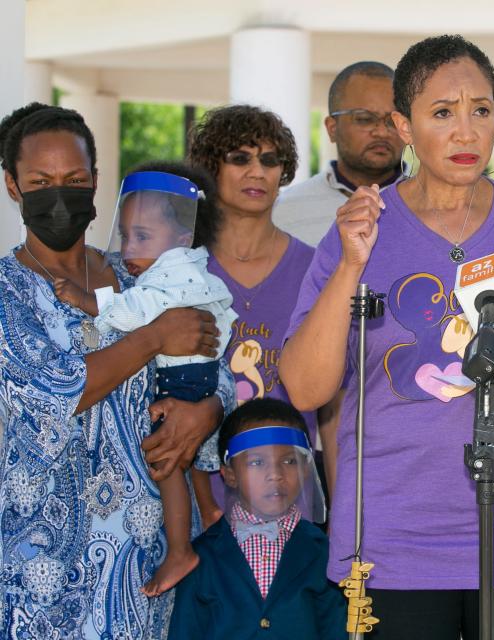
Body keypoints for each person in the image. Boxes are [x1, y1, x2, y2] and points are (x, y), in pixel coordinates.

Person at [280, 35, 494, 640]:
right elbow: (304, 388)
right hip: (394, 540)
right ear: (404, 125)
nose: (467, 132)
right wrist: (349, 264)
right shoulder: (361, 230)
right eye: (443, 113)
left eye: (481, 110)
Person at [0, 103, 234, 638]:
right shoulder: (6, 293)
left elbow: (211, 359)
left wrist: (208, 409)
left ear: (96, 182)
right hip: (45, 572)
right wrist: (154, 336)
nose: (58, 193)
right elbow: (52, 393)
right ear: (13, 186)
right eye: (40, 181)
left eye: (74, 180)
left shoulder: (141, 271)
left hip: (152, 557)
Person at [54, 165, 237, 595]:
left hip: (183, 382)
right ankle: (208, 508)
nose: (130, 246)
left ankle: (180, 550)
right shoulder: (189, 269)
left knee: (166, 459)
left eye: (142, 236)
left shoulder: (164, 277)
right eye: (127, 234)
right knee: (184, 456)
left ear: (180, 239)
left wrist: (84, 300)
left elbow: (132, 312)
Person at [187, 105, 333, 498]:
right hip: (195, 494)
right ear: (210, 166)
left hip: (288, 493)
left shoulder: (316, 270)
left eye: (270, 160)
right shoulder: (180, 268)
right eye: (240, 158)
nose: (257, 172)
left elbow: (333, 402)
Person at [168, 397, 346, 639]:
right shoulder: (199, 557)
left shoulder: (325, 553)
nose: (275, 474)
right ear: (229, 475)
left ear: (306, 469)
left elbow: (336, 629)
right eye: (257, 462)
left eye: (289, 461)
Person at [273, 61, 404, 248]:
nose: (382, 132)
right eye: (365, 119)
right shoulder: (286, 210)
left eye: (392, 121)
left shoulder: (435, 202)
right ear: (332, 128)